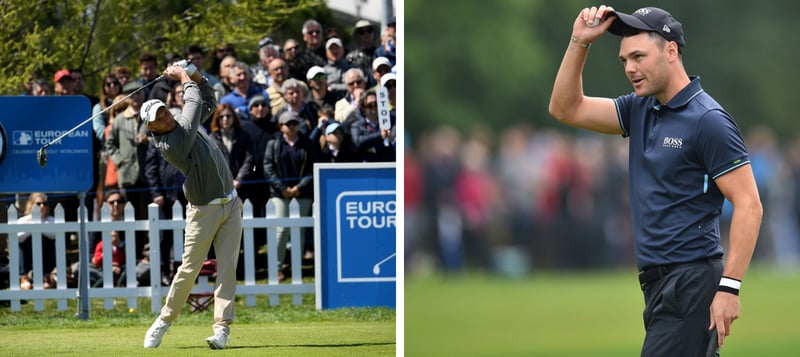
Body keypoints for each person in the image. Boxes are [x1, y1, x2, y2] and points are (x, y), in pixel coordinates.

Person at [547, 6, 763, 356]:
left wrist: (730, 288)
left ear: (671, 51)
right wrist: (579, 43)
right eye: (624, 61)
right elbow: (565, 108)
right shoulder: (640, 108)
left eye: (638, 56)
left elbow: (750, 204)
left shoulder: (708, 120)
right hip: (660, 286)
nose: (630, 68)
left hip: (691, 282)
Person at [140, 61, 242, 350]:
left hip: (231, 204)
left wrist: (195, 72)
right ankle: (163, 321)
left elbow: (206, 97)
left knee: (227, 268)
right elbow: (194, 101)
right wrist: (184, 76)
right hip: (204, 210)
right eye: (159, 117)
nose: (165, 117)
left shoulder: (182, 121)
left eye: (164, 110)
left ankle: (221, 329)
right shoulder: (171, 143)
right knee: (189, 268)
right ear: (152, 128)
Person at [263, 111, 319, 281]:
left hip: (302, 193)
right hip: (279, 194)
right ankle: (277, 267)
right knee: (280, 230)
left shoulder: (307, 143)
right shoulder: (273, 143)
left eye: (295, 123)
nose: (293, 126)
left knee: (298, 231)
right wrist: (282, 188)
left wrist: (299, 187)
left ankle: (296, 266)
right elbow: (268, 167)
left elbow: (312, 167)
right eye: (289, 124)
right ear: (281, 127)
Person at [106, 80, 151, 261]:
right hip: (127, 177)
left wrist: (148, 141)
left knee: (148, 217)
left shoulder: (151, 117)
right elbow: (110, 144)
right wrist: (120, 161)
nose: (136, 97)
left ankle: (148, 256)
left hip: (147, 176)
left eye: (139, 93)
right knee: (130, 219)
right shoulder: (119, 120)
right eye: (132, 94)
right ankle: (132, 256)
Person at [15, 193, 57, 286]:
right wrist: (38, 227)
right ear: (31, 205)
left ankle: (46, 276)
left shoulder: (52, 220)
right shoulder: (22, 220)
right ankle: (24, 277)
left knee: (46, 239)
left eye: (44, 204)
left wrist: (33, 226)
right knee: (22, 243)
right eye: (38, 204)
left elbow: (54, 235)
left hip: (45, 252)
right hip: (27, 253)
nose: (42, 206)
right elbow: (18, 237)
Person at [349, 89, 396, 162]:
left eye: (376, 104)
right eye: (370, 105)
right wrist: (380, 135)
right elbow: (358, 142)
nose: (374, 108)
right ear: (363, 109)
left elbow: (393, 140)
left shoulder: (391, 121)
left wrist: (372, 148)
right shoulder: (356, 126)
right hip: (367, 167)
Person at [347, 20, 378, 86]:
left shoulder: (380, 53)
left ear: (374, 33)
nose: (366, 34)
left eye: (369, 31)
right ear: (357, 36)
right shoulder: (351, 57)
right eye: (362, 32)